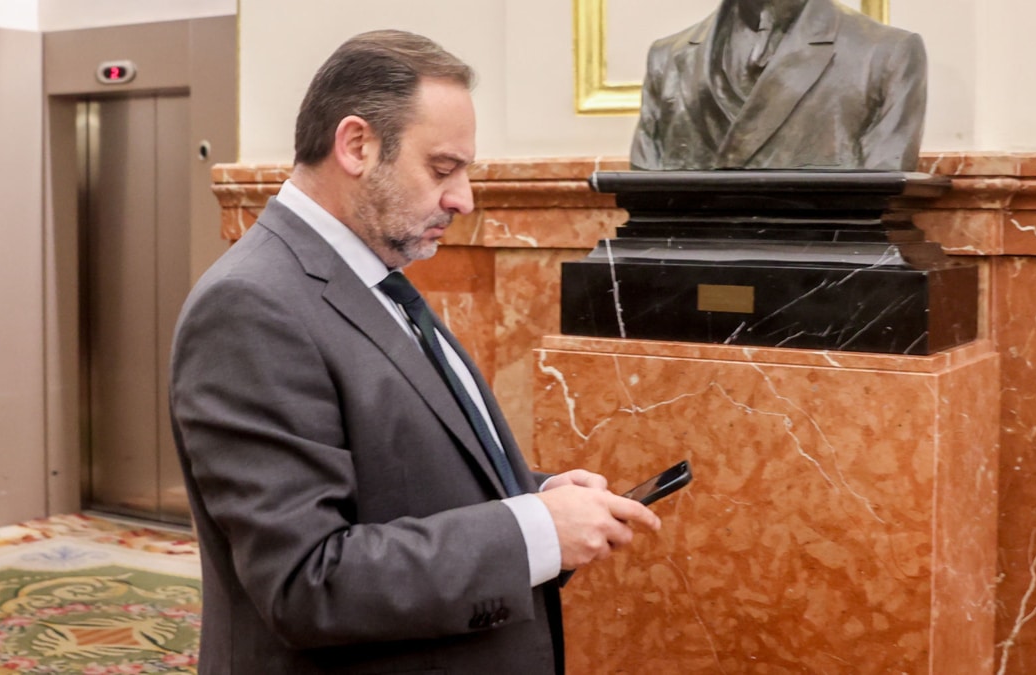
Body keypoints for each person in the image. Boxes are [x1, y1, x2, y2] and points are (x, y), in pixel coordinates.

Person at [169, 29, 662, 674]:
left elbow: (397, 474)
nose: (464, 199)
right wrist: (532, 532)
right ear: (356, 145)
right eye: (442, 168)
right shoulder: (250, 306)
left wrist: (533, 496)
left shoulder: (370, 276)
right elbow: (306, 582)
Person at [631, 0, 927, 170]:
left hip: (820, 263)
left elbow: (882, 189)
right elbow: (643, 183)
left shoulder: (887, 53)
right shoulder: (667, 58)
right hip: (686, 260)